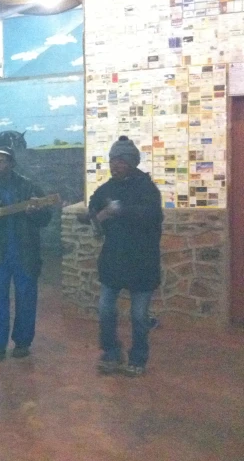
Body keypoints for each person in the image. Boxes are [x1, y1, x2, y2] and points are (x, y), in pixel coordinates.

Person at [77, 136, 162, 377]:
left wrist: (120, 210)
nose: (115, 166)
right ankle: (111, 352)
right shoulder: (107, 188)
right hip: (113, 260)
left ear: (132, 162)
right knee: (105, 309)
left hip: (142, 261)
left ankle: (138, 358)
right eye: (113, 161)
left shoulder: (147, 188)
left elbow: (152, 215)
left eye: (121, 161)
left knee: (138, 315)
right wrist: (90, 215)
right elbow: (94, 206)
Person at [0, 146, 52, 361]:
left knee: (26, 297)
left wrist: (36, 212)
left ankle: (22, 343)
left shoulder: (29, 186)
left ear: (12, 163)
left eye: (2, 161)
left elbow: (46, 218)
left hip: (25, 251)